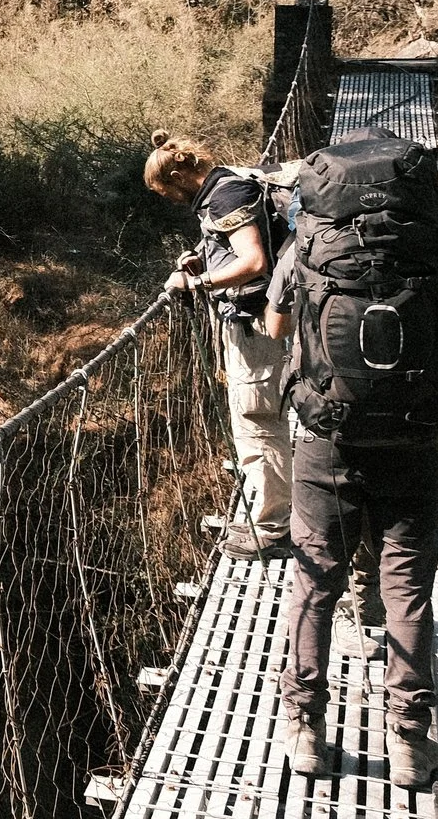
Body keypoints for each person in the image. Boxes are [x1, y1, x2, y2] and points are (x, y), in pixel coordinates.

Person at [259, 131, 438, 792]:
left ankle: (305, 730)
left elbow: (277, 326)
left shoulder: (307, 245)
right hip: (410, 438)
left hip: (328, 440)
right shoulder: (431, 242)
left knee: (314, 581)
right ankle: (408, 740)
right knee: (407, 589)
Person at [145, 131, 291, 560]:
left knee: (258, 419)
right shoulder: (230, 182)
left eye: (167, 191)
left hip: (258, 326)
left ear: (178, 175)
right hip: (277, 317)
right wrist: (203, 258)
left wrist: (197, 281)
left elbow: (254, 262)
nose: (171, 199)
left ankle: (271, 528)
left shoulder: (224, 197)